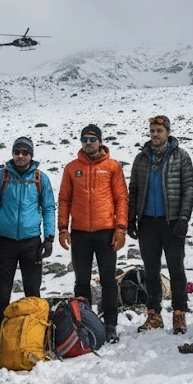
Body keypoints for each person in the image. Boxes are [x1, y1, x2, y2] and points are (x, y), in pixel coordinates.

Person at [57, 124, 128, 343]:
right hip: (79, 232)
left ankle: (110, 325)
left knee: (108, 281)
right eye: (84, 139)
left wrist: (121, 229)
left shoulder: (112, 166)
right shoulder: (71, 168)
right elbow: (64, 199)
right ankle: (85, 323)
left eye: (92, 139)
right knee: (81, 281)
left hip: (106, 231)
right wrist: (62, 229)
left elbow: (121, 198)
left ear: (99, 141)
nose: (88, 143)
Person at [127, 115, 193, 334]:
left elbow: (189, 189)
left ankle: (179, 313)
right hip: (147, 222)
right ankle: (154, 314)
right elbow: (134, 190)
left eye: (159, 131)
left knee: (176, 269)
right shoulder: (141, 158)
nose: (155, 134)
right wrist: (131, 218)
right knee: (151, 271)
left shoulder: (181, 156)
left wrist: (184, 218)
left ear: (167, 132)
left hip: (172, 221)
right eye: (152, 131)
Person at [0, 136, 57, 334]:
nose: (20, 155)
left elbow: (48, 208)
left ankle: (34, 333)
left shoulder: (40, 178)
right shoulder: (1, 177)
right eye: (17, 152)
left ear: (31, 155)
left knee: (32, 292)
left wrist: (49, 237)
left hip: (31, 242)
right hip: (4, 242)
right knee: (2, 293)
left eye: (25, 152)